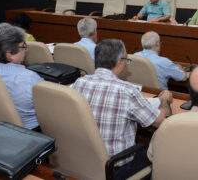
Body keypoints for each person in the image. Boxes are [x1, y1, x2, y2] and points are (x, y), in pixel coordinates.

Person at [72, 39, 172, 179]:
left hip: (84, 159)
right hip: (114, 167)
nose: (126, 63)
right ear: (120, 61)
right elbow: (160, 122)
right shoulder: (127, 90)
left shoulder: (79, 83)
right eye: (126, 59)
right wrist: (165, 101)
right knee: (151, 150)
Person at [0, 23, 43, 131]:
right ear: (10, 54)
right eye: (23, 46)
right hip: (29, 135)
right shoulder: (29, 78)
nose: (26, 49)